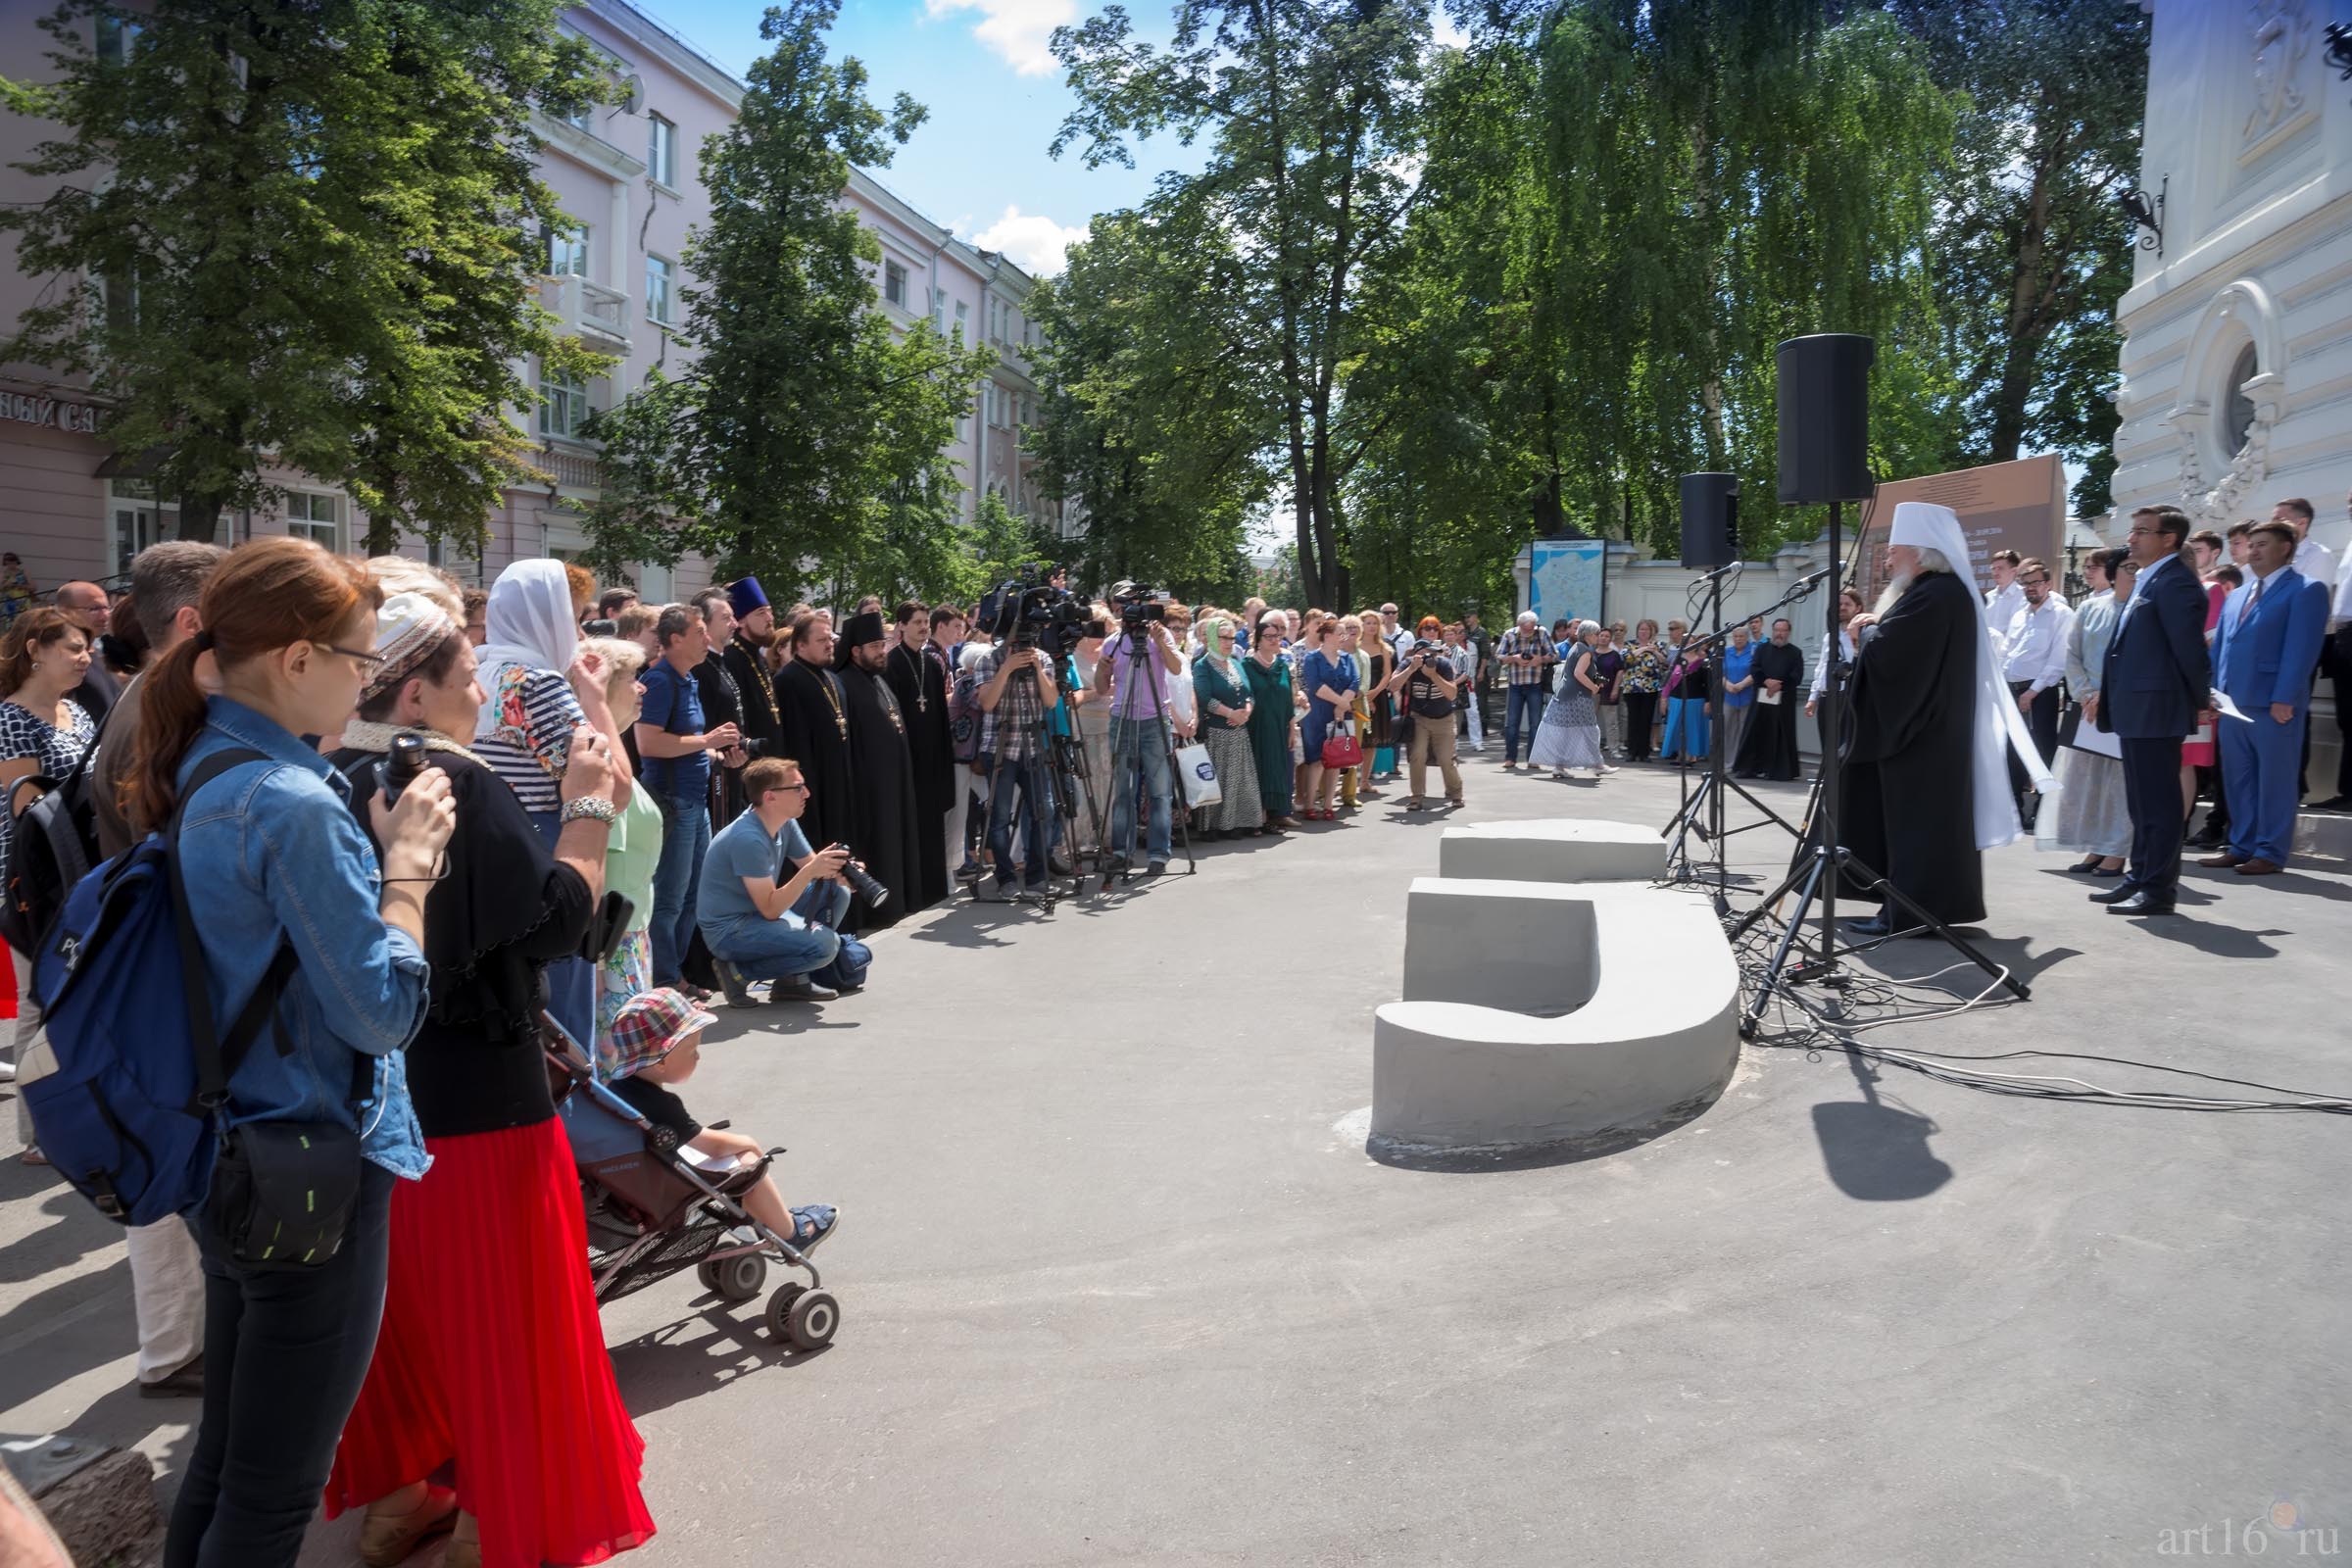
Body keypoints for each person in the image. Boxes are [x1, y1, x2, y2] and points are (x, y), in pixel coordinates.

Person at [130, 539, 456, 1568]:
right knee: (272, 1497)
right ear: (298, 658)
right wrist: (408, 872)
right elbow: (379, 1014)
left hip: (231, 1150)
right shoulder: (290, 798)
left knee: (228, 1462)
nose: (368, 683)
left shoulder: (205, 763)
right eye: (360, 661)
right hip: (311, 1161)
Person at [323, 596, 651, 1568]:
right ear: (416, 690)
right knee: (508, 1327)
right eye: (469, 673)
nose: (486, 687)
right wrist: (589, 807)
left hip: (382, 1094)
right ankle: (490, 1522)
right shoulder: (457, 779)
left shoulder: (340, 775)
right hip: (483, 1103)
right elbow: (554, 919)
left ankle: (398, 1497)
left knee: (402, 1317)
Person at [85, 542, 225, 1397]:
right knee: (174, 1159)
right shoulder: (161, 714)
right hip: (168, 970)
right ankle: (175, 1351)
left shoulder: (148, 700)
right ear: (191, 621)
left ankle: (177, 1342)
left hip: (161, 966)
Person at [1838, 503, 2042, 937]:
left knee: (1918, 826)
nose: (1888, 559)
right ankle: (1916, 906)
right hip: (1931, 733)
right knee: (1922, 825)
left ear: (1920, 552)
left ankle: (1910, 912)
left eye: (1895, 550)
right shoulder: (1937, 594)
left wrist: (1870, 632)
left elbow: (1898, 656)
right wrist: (1880, 625)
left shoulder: (1936, 595)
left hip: (1924, 738)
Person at [604, 989, 836, 1250]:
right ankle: (789, 1232)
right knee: (749, 1163)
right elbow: (711, 1145)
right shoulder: (660, 1105)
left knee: (736, 1162)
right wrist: (748, 1142)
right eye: (691, 1049)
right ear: (660, 1059)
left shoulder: (612, 1090)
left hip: (630, 1184)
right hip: (660, 1189)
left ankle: (758, 1221)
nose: (698, 1056)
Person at [2, 606, 101, 1169]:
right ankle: (36, 1131)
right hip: (30, 881)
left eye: (86, 647)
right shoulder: (11, 719)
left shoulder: (76, 712)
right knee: (40, 1004)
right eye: (73, 647)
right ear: (36, 650)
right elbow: (27, 809)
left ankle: (73, 1114)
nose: (86, 656)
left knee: (75, 999)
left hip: (78, 874)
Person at [2089, 506, 2212, 916]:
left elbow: (2189, 650)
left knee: (2158, 805)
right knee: (2141, 803)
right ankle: (2139, 878)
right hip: (2138, 709)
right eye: (2133, 529)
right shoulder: (2150, 580)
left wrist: (2201, 699)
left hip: (2157, 709)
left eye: (2143, 531)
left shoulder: (2176, 582)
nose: (2132, 537)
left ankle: (2158, 890)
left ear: (2169, 540)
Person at [2202, 520, 2330, 876]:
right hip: (2232, 704)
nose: (2253, 550)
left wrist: (2285, 696)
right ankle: (2241, 845)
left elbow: (2301, 650)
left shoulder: (2306, 589)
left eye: (2262, 544)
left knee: (2274, 780)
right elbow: (2222, 649)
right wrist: (2212, 693)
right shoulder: (2239, 593)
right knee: (2238, 780)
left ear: (2285, 548)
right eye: (2251, 544)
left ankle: (2270, 851)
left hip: (2274, 705)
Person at [635, 604, 739, 988]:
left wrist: (718, 755)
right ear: (675, 639)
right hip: (674, 803)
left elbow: (685, 744)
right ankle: (665, 980)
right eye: (699, 632)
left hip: (694, 802)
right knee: (669, 899)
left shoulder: (687, 679)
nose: (707, 639)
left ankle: (672, 974)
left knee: (692, 896)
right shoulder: (660, 679)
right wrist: (708, 740)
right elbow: (647, 742)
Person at [699, 758, 854, 1003]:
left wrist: (846, 873)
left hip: (757, 916)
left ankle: (793, 981)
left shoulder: (785, 823)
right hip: (730, 931)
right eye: (797, 788)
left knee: (837, 891)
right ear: (770, 797)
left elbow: (814, 869)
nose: (807, 793)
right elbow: (770, 909)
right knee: (826, 946)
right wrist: (812, 870)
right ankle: (737, 974)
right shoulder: (748, 839)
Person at [578, 637, 662, 1029]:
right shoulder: (601, 762)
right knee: (619, 1068)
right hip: (613, 945)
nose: (642, 686)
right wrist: (596, 961)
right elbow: (594, 866)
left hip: (629, 935)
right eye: (632, 677)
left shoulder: (614, 753)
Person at [2046, 551, 2137, 876]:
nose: (2134, 573)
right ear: (2113, 573)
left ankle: (2117, 852)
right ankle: (2095, 847)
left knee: (2120, 785)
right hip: (2087, 710)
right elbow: (2072, 654)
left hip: (2123, 707)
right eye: (2128, 568)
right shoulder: (2089, 607)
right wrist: (2086, 694)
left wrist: (2107, 697)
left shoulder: (2142, 610)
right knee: (2087, 784)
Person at [837, 611, 928, 924]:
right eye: (875, 645)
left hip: (894, 783)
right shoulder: (845, 683)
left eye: (883, 643)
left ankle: (899, 902)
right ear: (856, 651)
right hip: (869, 789)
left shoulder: (878, 680)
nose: (882, 650)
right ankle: (877, 912)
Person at [1095, 598, 1186, 872]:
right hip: (1122, 719)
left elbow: (1176, 668)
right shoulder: (1114, 641)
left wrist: (1160, 642)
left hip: (1154, 720)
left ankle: (1159, 854)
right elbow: (1100, 688)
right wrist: (1102, 668)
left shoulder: (1160, 634)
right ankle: (1122, 851)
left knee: (1159, 792)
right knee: (1124, 791)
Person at [973, 629, 1058, 897]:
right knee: (999, 818)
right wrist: (1007, 668)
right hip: (999, 748)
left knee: (1045, 811)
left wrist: (1035, 666)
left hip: (1033, 747)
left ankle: (1035, 876)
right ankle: (1006, 878)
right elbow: (987, 703)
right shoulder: (989, 659)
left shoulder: (1042, 658)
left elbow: (1051, 700)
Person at [885, 601, 955, 907]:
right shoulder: (891, 664)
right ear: (901, 625)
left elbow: (940, 716)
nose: (924, 627)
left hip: (932, 761)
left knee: (932, 828)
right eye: (917, 622)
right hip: (908, 761)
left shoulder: (931, 663)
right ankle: (915, 895)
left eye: (926, 621)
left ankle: (935, 891)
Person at [772, 612, 858, 856]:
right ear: (800, 645)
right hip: (811, 782)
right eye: (821, 641)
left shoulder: (834, 679)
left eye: (830, 638)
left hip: (840, 778)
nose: (830, 644)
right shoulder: (787, 680)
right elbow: (791, 740)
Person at [2000, 558, 2073, 829]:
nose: (2031, 588)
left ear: (2049, 584)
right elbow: (2007, 653)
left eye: (2036, 583)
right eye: (2026, 583)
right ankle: (2014, 810)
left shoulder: (2061, 614)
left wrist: (2032, 692)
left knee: (2043, 752)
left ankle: (2045, 810)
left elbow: (2056, 661)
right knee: (2011, 752)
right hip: (2012, 690)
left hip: (2040, 693)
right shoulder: (2020, 615)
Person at [1189, 613, 1264, 837]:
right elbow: (1204, 697)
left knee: (1239, 780)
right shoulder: (1203, 665)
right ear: (1212, 637)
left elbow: (1249, 692)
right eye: (1224, 637)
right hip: (1216, 733)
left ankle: (1235, 823)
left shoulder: (1235, 664)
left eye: (1232, 638)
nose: (1229, 642)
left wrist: (1246, 712)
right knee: (1217, 779)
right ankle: (1213, 825)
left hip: (1238, 731)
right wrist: (1230, 713)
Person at [688, 589, 751, 821]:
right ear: (703, 624)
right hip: (710, 778)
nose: (734, 624)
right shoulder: (698, 668)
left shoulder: (722, 663)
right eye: (726, 618)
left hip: (731, 771)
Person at [1527, 620, 1608, 781]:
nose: (1598, 637)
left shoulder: (1576, 647)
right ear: (1588, 635)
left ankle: (1560, 767)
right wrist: (1593, 687)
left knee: (1566, 732)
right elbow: (1579, 673)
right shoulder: (1585, 651)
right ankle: (1598, 765)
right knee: (1590, 731)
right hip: (1578, 697)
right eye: (1596, 634)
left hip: (1565, 695)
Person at [1296, 616, 1359, 821]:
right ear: (1328, 635)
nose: (1345, 637)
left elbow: (1354, 682)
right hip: (1318, 712)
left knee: (1336, 759)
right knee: (1316, 760)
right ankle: (1309, 803)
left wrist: (1343, 705)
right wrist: (1341, 703)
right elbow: (1315, 685)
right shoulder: (1312, 658)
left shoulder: (1348, 658)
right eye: (1341, 633)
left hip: (1342, 713)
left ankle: (1329, 804)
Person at [1731, 617, 1804, 780]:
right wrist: (1766, 681)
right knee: (1755, 731)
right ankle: (1750, 768)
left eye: (1783, 630)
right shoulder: (1762, 649)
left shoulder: (1795, 652)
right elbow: (1755, 668)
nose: (1779, 634)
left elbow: (1797, 676)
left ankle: (1779, 770)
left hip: (1783, 701)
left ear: (1788, 632)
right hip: (1761, 699)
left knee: (1781, 733)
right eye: (1777, 630)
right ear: (1773, 631)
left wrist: (1780, 685)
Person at [1244, 617, 1299, 829]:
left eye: (1277, 636)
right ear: (1258, 640)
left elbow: (1288, 701)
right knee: (1260, 767)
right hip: (1257, 727)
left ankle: (1278, 813)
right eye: (1269, 637)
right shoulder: (1246, 666)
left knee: (1278, 767)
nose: (1274, 640)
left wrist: (1292, 727)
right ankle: (1259, 816)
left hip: (1279, 726)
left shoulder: (1282, 666)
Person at [1496, 612, 1553, 769]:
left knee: (1535, 723)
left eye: (1532, 628)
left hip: (1535, 683)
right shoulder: (1509, 634)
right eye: (1526, 629)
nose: (1530, 632)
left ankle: (1533, 758)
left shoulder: (1542, 633)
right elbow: (1498, 656)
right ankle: (1510, 758)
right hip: (1515, 684)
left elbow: (1553, 654)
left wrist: (1540, 659)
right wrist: (1514, 658)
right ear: (1519, 625)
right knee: (1512, 723)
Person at [1617, 620, 1668, 764]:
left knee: (1646, 720)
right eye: (1641, 629)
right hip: (1632, 688)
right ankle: (1632, 751)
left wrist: (1654, 651)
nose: (1644, 632)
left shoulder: (1659, 645)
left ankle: (1644, 752)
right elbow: (1626, 658)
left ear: (1651, 632)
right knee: (1633, 719)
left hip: (1650, 688)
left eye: (1646, 630)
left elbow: (1664, 661)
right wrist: (1643, 649)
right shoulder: (1629, 644)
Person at [1658, 637, 1712, 761]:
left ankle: (1691, 755)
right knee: (1676, 728)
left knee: (1691, 729)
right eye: (1686, 642)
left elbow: (1709, 684)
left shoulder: (1702, 663)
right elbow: (1668, 682)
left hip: (1695, 700)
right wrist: (1664, 699)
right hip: (1676, 699)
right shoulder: (1677, 660)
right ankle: (1679, 754)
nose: (1689, 644)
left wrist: (1708, 702)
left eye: (1692, 642)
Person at [1718, 622, 1756, 763]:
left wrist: (1741, 685)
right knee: (1727, 729)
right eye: (1735, 636)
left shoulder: (1754, 650)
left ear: (1747, 637)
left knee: (1744, 730)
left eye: (1741, 636)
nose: (1738, 639)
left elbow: (1756, 671)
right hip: (1729, 696)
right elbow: (1719, 672)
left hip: (1747, 695)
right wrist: (1727, 684)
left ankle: (1741, 762)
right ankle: (1727, 761)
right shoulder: (1727, 652)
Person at [1590, 625, 1626, 757]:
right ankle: (1590, 748)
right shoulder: (1591, 653)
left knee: (1611, 722)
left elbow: (1620, 671)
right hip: (1592, 691)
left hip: (1609, 691)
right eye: (1602, 635)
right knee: (1590, 721)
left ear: (1610, 639)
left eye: (1607, 636)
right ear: (1597, 637)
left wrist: (1615, 689)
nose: (1604, 638)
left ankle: (1614, 749)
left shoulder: (1614, 655)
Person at [1983, 548, 2024, 634]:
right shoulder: (1988, 597)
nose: (1995, 572)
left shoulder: (2023, 596)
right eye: (1993, 568)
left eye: (2000, 568)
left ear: (2014, 571)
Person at [0, 552, 32, 626]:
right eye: (8, 562)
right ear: (5, 562)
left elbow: (33, 587)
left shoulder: (24, 572)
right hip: (9, 603)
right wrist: (6, 585)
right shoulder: (3, 574)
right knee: (10, 625)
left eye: (13, 561)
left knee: (23, 623)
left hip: (23, 601)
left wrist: (22, 586)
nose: (11, 564)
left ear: (16, 561)